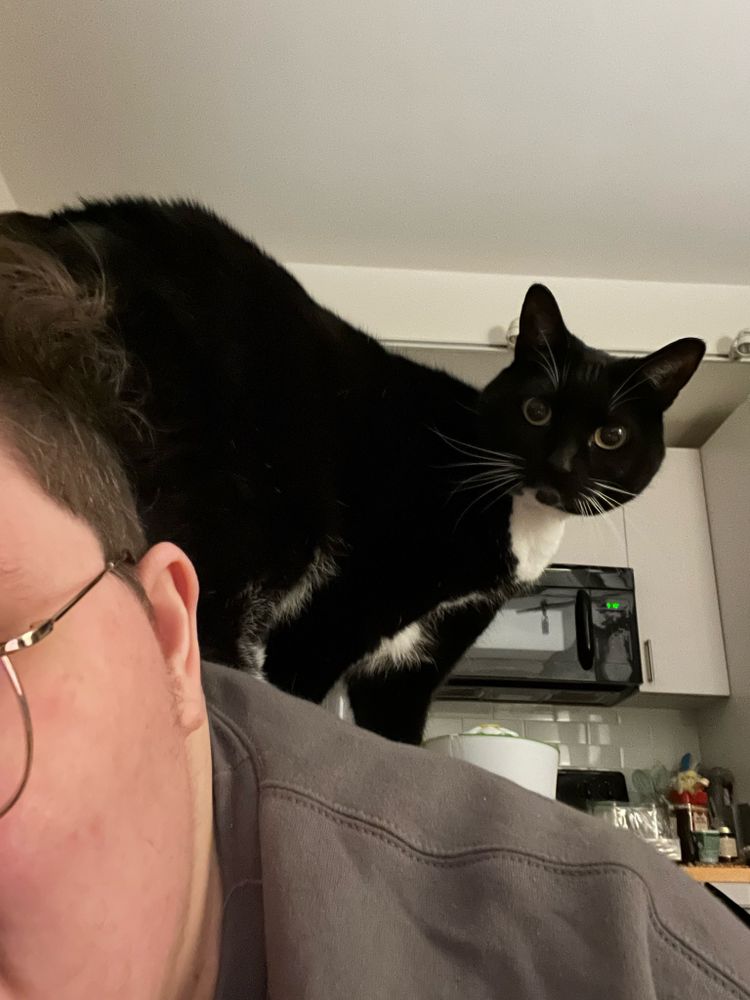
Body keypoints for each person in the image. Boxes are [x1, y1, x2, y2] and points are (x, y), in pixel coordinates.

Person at [0, 235, 747, 1000]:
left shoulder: (635, 932)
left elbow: (394, 687)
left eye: (607, 439)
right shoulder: (454, 488)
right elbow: (319, 649)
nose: (561, 458)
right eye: (538, 412)